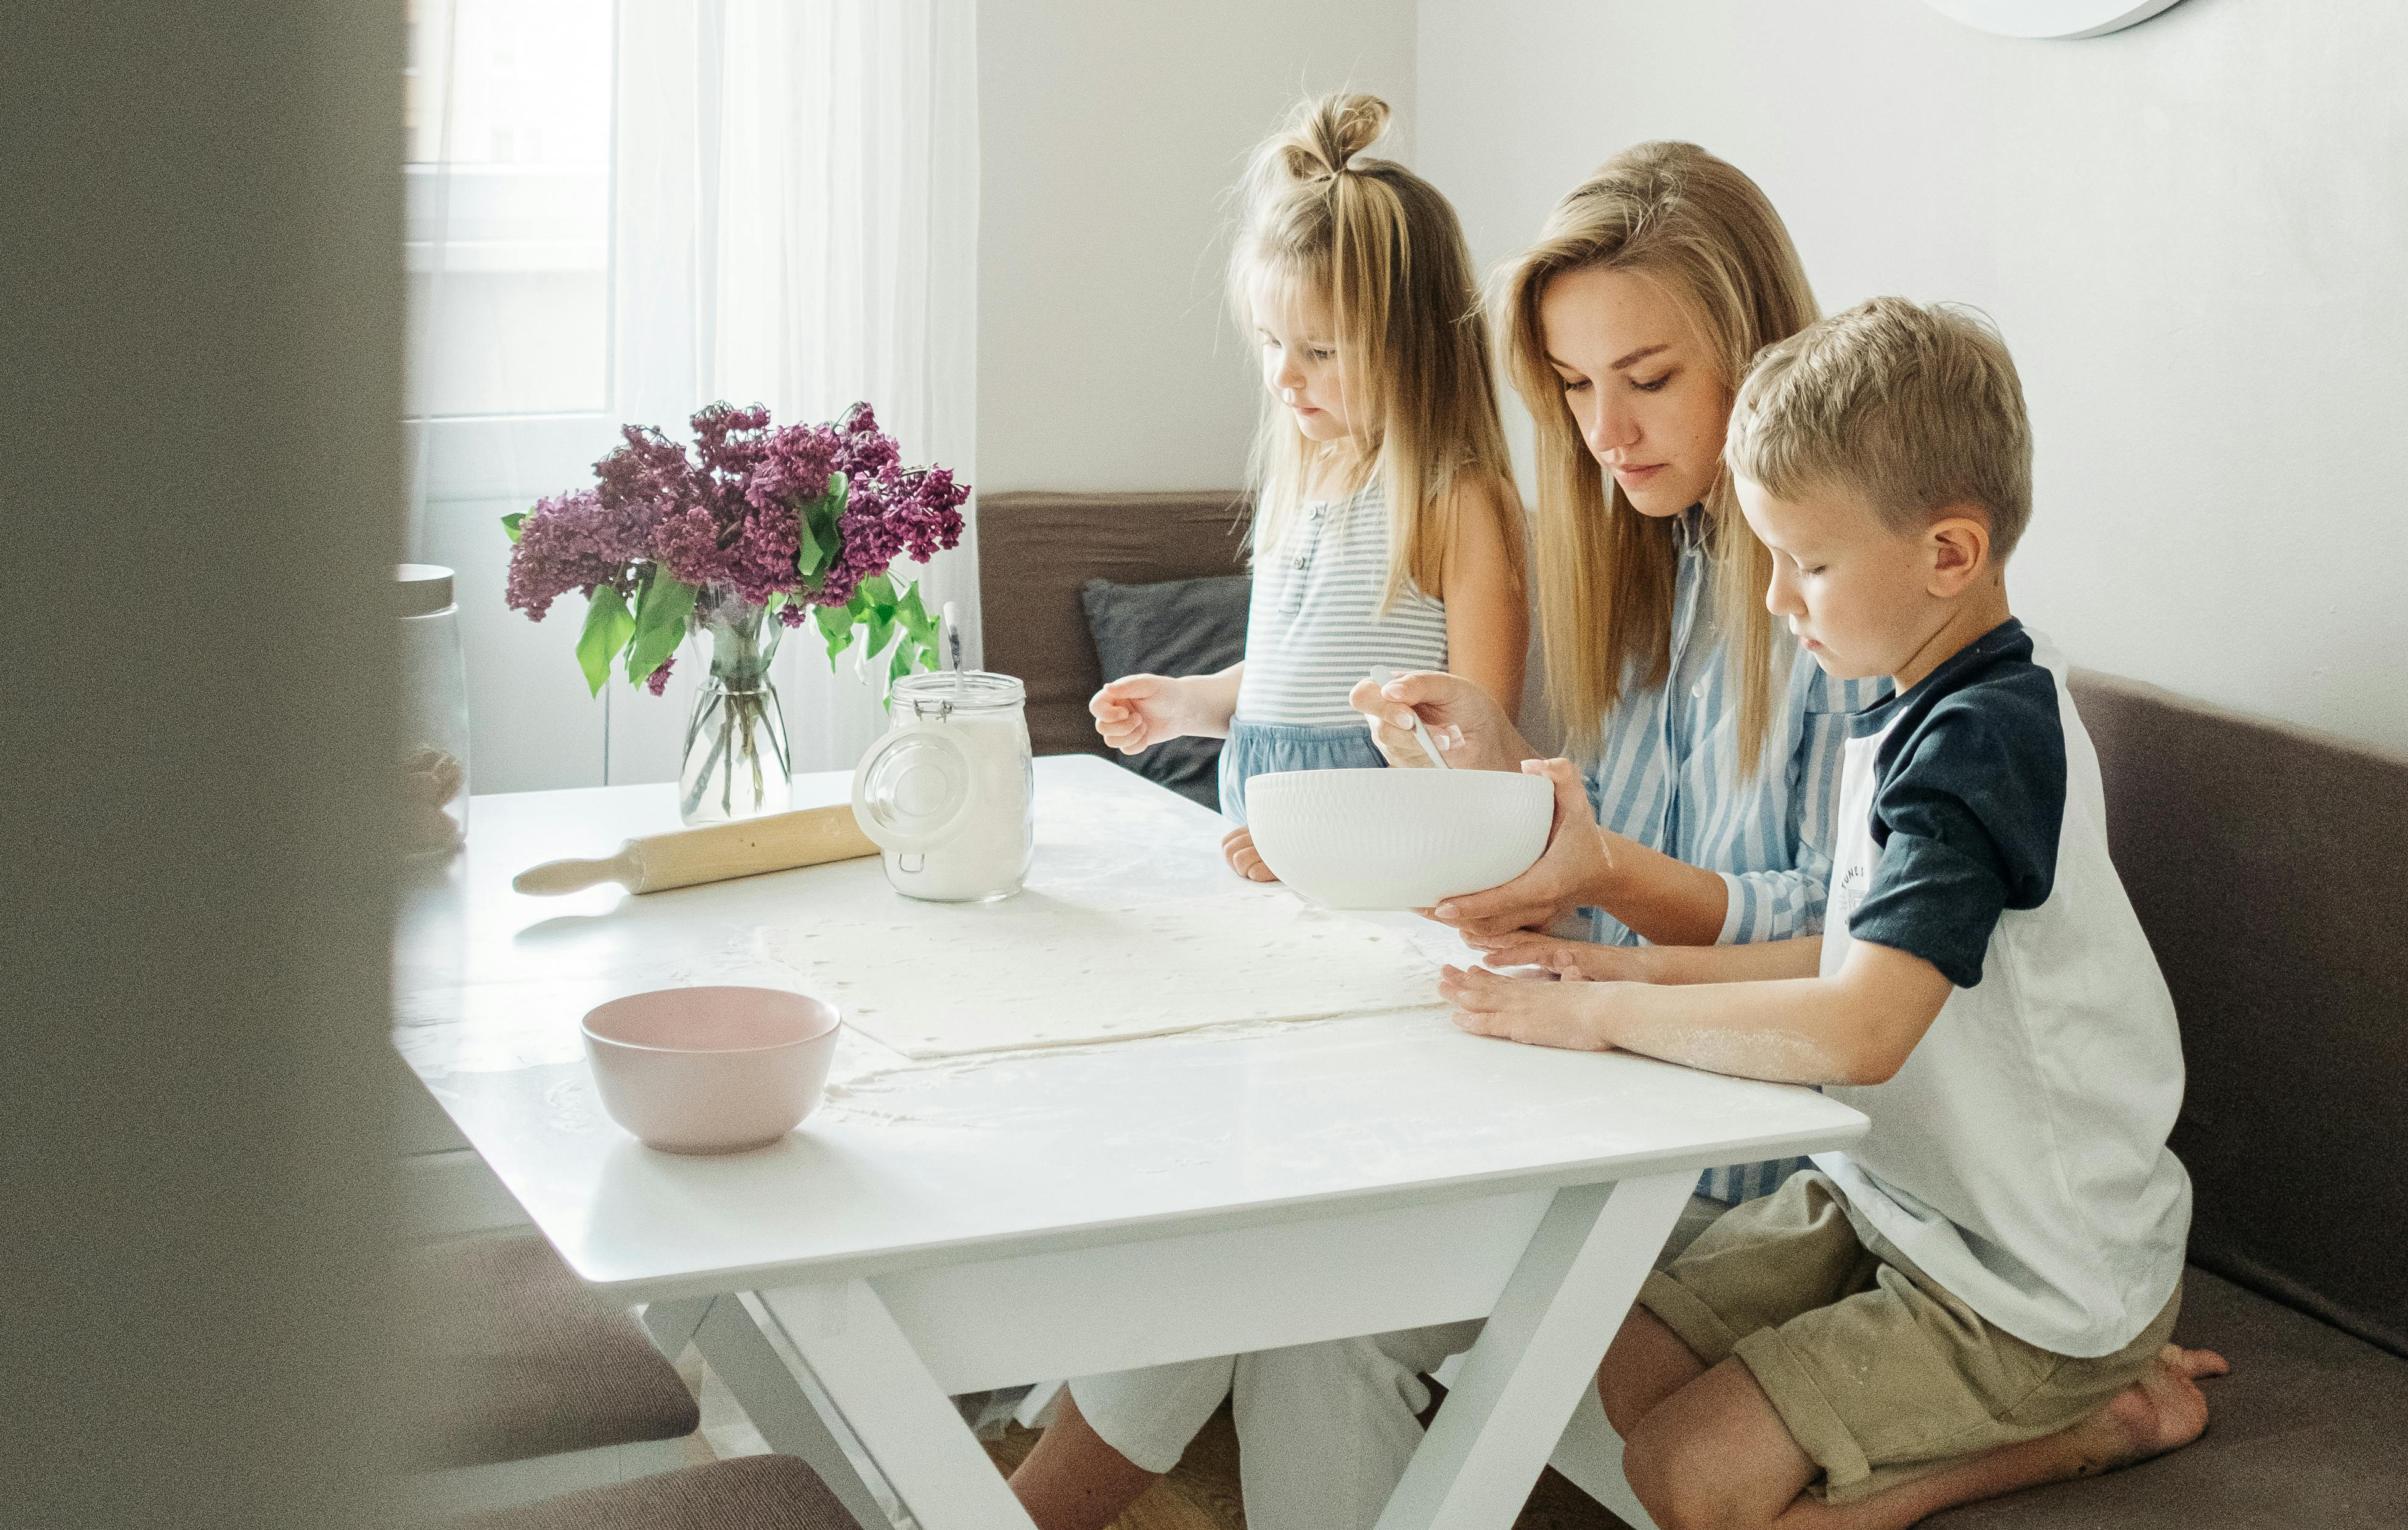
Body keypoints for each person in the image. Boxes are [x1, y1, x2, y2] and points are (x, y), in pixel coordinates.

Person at [1448, 297, 2227, 1528]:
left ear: (1950, 556)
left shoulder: (1978, 742)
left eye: (1805, 562)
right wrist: (1616, 976)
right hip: (1903, 1205)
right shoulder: (1910, 688)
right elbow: (1850, 951)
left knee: (1685, 1477)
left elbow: (1863, 1028)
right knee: (1610, 1340)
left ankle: (2094, 1418)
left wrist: (1598, 1016)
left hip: (2032, 1277)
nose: (1774, 599)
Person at [1087, 91, 1526, 887]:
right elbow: (1294, 676)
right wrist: (1195, 704)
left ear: (1416, 343)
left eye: (1320, 350)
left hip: (1381, 844)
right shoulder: (1311, 482)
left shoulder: (1452, 500)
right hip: (1275, 826)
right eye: (1269, 342)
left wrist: (1331, 839)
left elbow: (1479, 743)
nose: (1284, 377)